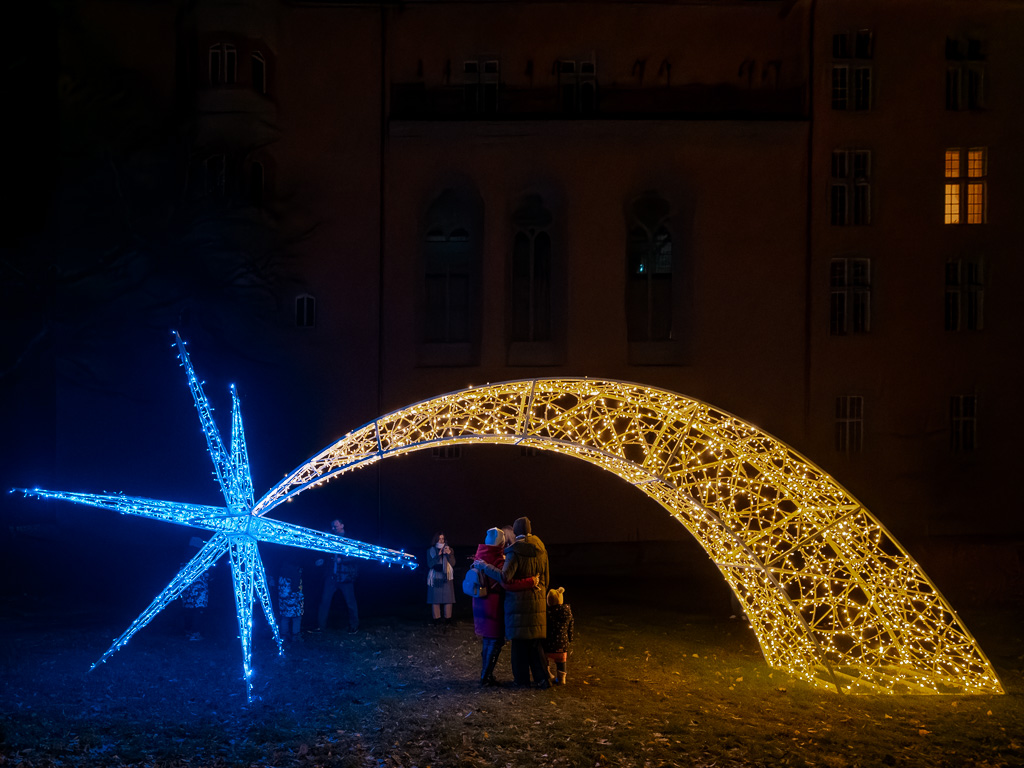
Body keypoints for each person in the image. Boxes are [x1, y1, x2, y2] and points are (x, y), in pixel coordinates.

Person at [478, 516, 549, 687]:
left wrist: (486, 567)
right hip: (536, 601)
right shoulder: (542, 549)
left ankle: (521, 679)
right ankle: (543, 679)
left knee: (518, 644)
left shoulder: (514, 552)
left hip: (517, 604)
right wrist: (539, 592)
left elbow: (505, 577)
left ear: (515, 532)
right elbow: (546, 577)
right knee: (534, 643)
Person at [316, 519, 359, 633]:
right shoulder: (330, 539)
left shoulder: (349, 539)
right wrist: (323, 561)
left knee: (350, 603)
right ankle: (321, 627)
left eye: (336, 526)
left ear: (342, 525)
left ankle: (354, 626)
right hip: (331, 576)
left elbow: (356, 555)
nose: (333, 528)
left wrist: (342, 560)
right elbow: (327, 555)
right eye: (332, 526)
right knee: (324, 601)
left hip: (345, 577)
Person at [543, 586, 574, 685]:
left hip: (548, 644)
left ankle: (547, 673)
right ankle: (561, 679)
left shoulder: (547, 613)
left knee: (545, 659)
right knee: (561, 662)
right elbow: (570, 627)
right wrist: (570, 638)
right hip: (562, 644)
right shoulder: (568, 613)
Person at [180, 536, 209, 641]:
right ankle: (195, 633)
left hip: (187, 590)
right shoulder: (201, 560)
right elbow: (207, 575)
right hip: (199, 590)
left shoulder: (185, 559)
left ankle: (187, 631)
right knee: (198, 611)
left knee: (188, 610)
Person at [426, 532, 456, 627]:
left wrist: (449, 554)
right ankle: (437, 619)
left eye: (442, 539)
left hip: (446, 576)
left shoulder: (449, 549)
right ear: (435, 540)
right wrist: (438, 555)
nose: (441, 541)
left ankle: (448, 619)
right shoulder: (431, 550)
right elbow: (430, 564)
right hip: (435, 576)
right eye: (439, 539)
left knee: (448, 598)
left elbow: (453, 563)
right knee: (435, 599)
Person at [277, 560, 304, 642]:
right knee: (297, 618)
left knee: (285, 618)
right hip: (293, 601)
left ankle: (284, 635)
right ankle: (296, 635)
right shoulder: (295, 573)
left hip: (283, 600)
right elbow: (296, 588)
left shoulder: (282, 573)